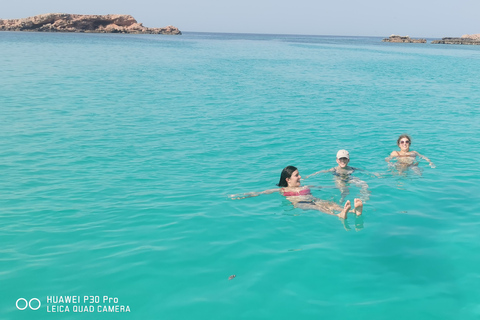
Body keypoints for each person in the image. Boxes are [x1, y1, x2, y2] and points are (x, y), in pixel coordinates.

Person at [230, 166, 363, 220]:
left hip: (312, 198)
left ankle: (352, 212)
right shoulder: (282, 190)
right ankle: (340, 216)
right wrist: (243, 195)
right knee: (317, 206)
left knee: (328, 203)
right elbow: (260, 193)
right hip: (300, 203)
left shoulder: (306, 186)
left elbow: (323, 186)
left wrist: (342, 187)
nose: (300, 177)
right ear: (287, 179)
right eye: (297, 175)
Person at [305, 150, 372, 203]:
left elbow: (364, 171)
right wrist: (309, 176)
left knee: (364, 184)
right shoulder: (334, 169)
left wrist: (375, 174)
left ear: (348, 160)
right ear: (337, 160)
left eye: (344, 159)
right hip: (338, 177)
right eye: (341, 159)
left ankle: (364, 198)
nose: (342, 161)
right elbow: (322, 172)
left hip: (349, 177)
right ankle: (341, 200)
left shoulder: (351, 169)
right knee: (344, 190)